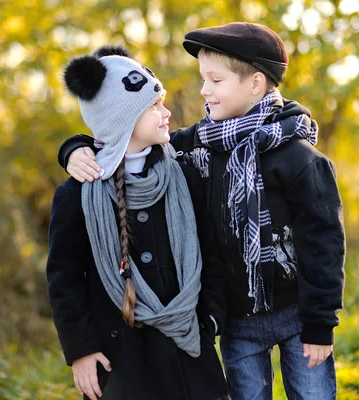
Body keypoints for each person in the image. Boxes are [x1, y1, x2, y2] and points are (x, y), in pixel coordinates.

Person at [58, 22, 345, 400]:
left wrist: (320, 323)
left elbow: (323, 242)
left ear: (255, 83)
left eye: (215, 80)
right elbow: (120, 131)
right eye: (203, 79)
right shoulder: (198, 146)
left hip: (293, 314)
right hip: (237, 322)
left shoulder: (295, 156)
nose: (202, 90)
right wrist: (75, 148)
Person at [46, 45, 228, 400]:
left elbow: (211, 250)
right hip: (121, 360)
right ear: (123, 118)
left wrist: (210, 320)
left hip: (187, 349)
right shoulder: (77, 194)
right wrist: (80, 350)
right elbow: (63, 279)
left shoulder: (185, 172)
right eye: (154, 106)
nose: (167, 111)